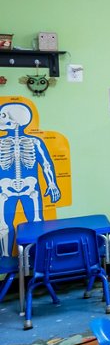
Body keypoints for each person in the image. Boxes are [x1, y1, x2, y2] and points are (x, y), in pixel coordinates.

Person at [0, 102, 62, 254]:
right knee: (3, 226)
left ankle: (38, 259)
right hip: (5, 188)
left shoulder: (35, 142)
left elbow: (46, 164)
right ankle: (6, 258)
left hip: (30, 187)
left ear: (15, 121)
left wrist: (52, 184)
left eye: (3, 116)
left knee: (36, 224)